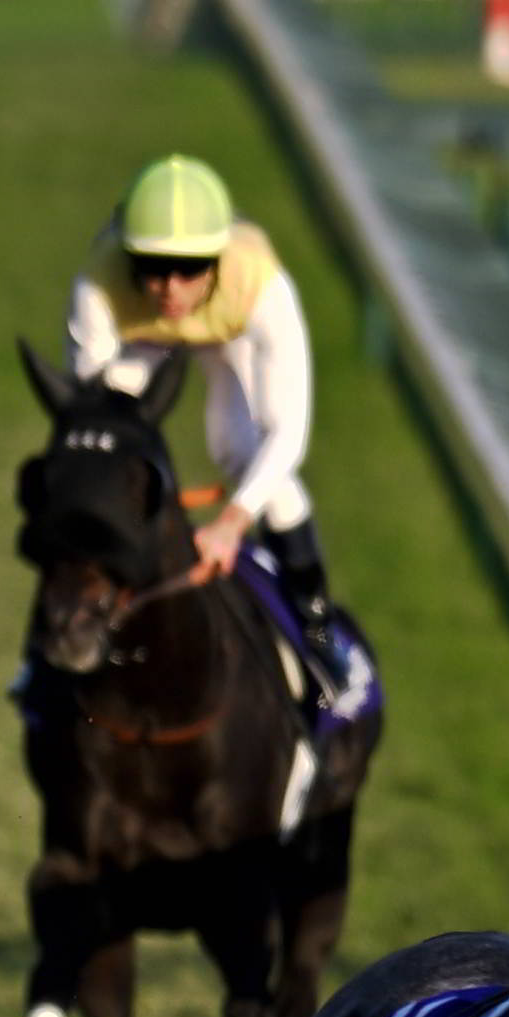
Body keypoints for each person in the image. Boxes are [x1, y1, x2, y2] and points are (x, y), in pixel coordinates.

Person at [60, 150, 369, 714]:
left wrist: (231, 523)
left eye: (191, 267)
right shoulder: (97, 283)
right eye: (152, 267)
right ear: (127, 258)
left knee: (247, 459)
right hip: (143, 344)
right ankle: (59, 636)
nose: (170, 288)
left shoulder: (261, 285)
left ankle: (318, 630)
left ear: (220, 261)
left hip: (232, 335)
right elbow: (94, 414)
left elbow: (288, 434)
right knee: (100, 459)